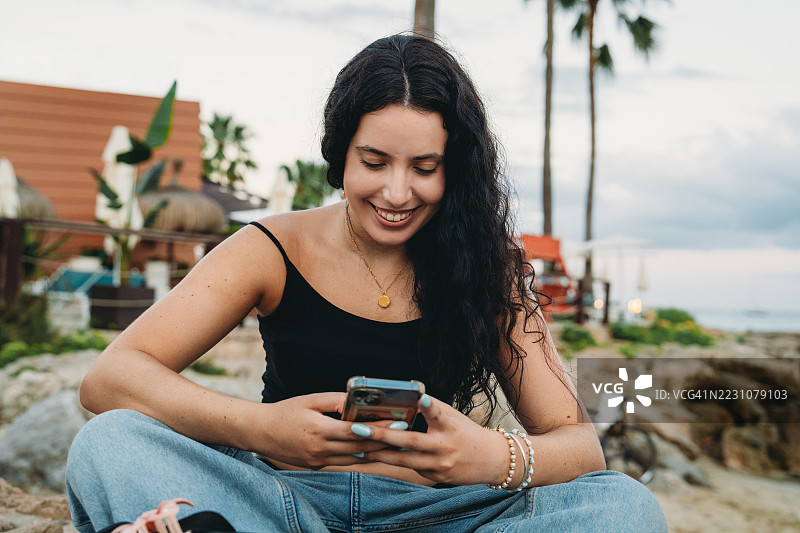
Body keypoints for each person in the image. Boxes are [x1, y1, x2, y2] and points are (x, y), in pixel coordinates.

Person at [66, 34, 667, 532]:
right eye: (374, 162)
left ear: (452, 170)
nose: (397, 193)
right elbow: (109, 379)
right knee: (109, 442)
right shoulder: (273, 248)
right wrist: (262, 427)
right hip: (282, 504)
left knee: (626, 507)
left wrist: (490, 456)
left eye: (425, 169)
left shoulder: (490, 267)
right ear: (341, 153)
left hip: (444, 514)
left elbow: (582, 447)